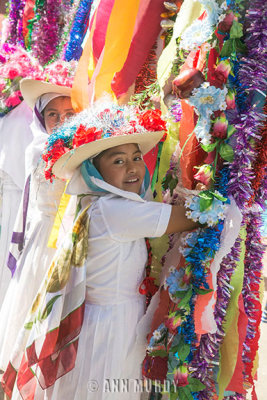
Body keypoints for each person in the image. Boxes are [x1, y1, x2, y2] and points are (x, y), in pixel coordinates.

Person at [2, 101, 200, 400]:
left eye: (136, 157)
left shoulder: (91, 202)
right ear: (94, 170)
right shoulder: (116, 211)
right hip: (113, 323)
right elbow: (187, 219)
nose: (133, 167)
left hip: (95, 318)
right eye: (118, 161)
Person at [0, 78, 76, 372]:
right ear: (42, 119)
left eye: (69, 114)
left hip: (73, 237)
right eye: (52, 115)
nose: (60, 121)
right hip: (48, 240)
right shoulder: (41, 148)